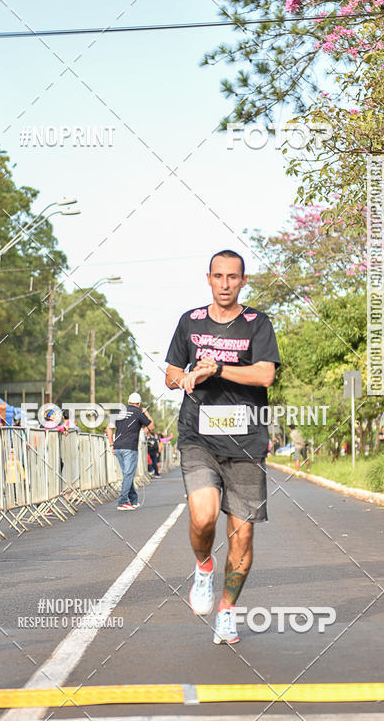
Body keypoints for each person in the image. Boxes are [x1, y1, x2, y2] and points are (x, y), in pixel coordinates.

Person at [166, 250, 280, 644]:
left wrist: (218, 368)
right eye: (219, 276)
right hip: (198, 436)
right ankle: (203, 566)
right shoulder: (191, 322)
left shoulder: (257, 324)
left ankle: (227, 610)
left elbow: (265, 374)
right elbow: (170, 371)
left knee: (242, 535)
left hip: (247, 442)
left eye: (233, 277)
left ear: (243, 281)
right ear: (209, 279)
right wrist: (183, 377)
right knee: (203, 517)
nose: (226, 283)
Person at [106, 392, 154, 510]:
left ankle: (133, 500)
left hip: (117, 447)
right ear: (138, 403)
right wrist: (146, 413)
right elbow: (151, 427)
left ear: (128, 402)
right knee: (128, 474)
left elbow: (109, 429)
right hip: (129, 448)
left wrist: (111, 444)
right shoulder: (138, 412)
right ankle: (122, 502)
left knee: (127, 474)